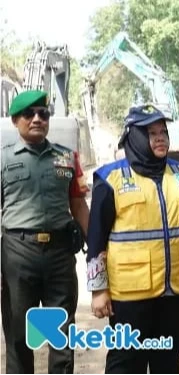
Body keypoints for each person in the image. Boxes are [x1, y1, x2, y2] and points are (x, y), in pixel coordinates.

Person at [85, 104, 179, 375]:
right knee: (125, 364)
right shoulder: (110, 179)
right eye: (151, 133)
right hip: (129, 295)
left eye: (163, 132)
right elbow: (96, 240)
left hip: (175, 292)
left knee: (167, 363)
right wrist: (98, 290)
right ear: (134, 137)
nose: (160, 138)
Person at [1, 90, 90, 375]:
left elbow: (78, 204)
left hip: (60, 254)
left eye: (43, 113)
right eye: (29, 114)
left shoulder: (67, 158)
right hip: (17, 254)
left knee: (61, 334)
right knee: (18, 336)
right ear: (16, 120)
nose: (38, 119)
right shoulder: (2, 160)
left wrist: (97, 250)